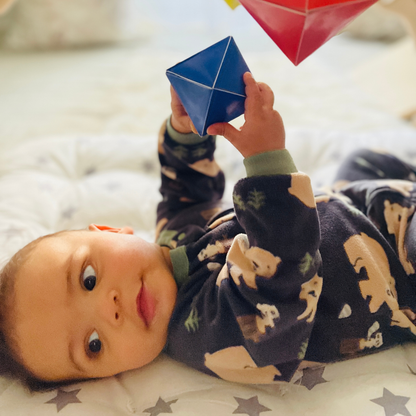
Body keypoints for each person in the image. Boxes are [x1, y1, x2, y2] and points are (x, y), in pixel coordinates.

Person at [1, 72, 416, 391]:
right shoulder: (209, 336)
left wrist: (184, 134)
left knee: (361, 160)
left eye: (88, 278)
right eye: (93, 344)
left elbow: (185, 191)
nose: (109, 311)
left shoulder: (168, 243)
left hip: (362, 205)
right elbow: (283, 276)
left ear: (111, 229)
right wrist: (266, 161)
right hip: (400, 266)